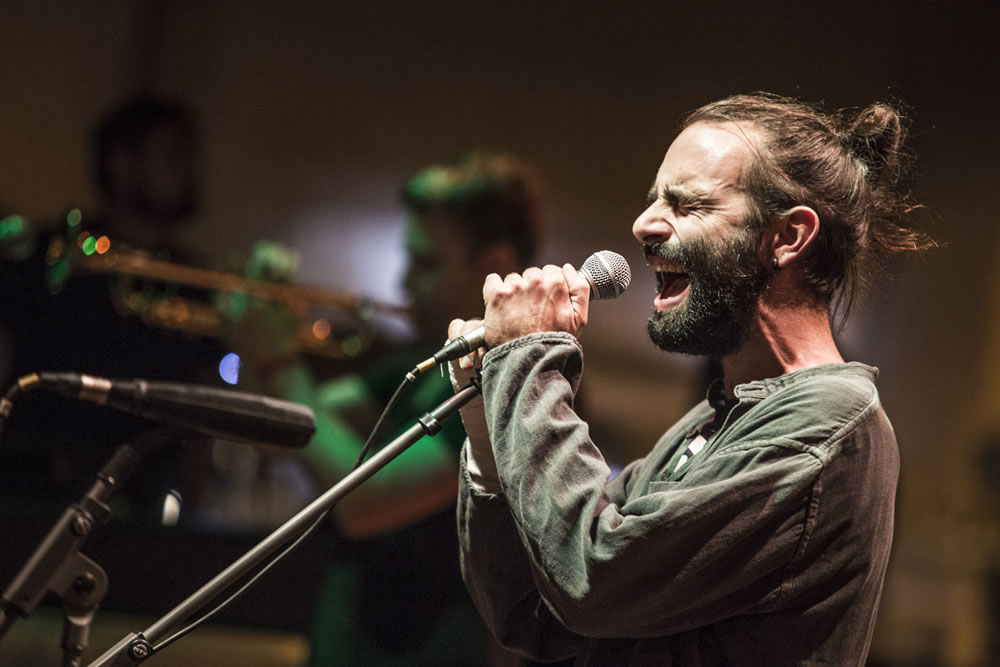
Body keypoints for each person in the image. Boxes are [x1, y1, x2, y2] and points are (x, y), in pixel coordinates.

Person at [447, 93, 934, 665]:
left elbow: (594, 578)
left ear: (788, 237)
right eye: (654, 199)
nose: (643, 224)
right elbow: (533, 615)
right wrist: (486, 430)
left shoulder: (828, 425)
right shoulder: (713, 419)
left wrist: (530, 359)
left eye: (687, 204)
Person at [244, 153, 544, 665]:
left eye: (426, 263)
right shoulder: (418, 364)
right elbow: (278, 435)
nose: (405, 283)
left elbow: (366, 504)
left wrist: (279, 361)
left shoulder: (521, 379)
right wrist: (259, 338)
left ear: (492, 266)